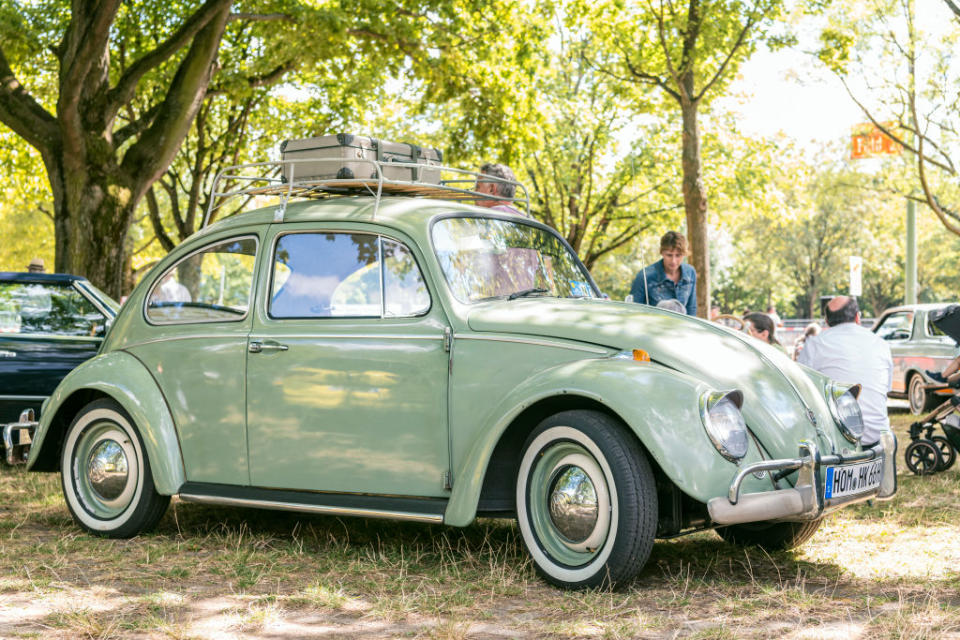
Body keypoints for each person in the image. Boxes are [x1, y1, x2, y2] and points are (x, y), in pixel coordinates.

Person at [797, 296, 893, 447]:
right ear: (857, 317)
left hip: (836, 443)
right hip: (878, 439)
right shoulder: (881, 344)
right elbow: (885, 390)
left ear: (827, 321)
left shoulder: (814, 345)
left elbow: (799, 390)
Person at [629, 231, 697, 316]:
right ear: (662, 252)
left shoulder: (690, 273)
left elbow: (691, 309)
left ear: (684, 254)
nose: (673, 261)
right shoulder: (644, 276)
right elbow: (633, 311)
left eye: (678, 255)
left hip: (682, 327)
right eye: (669, 255)